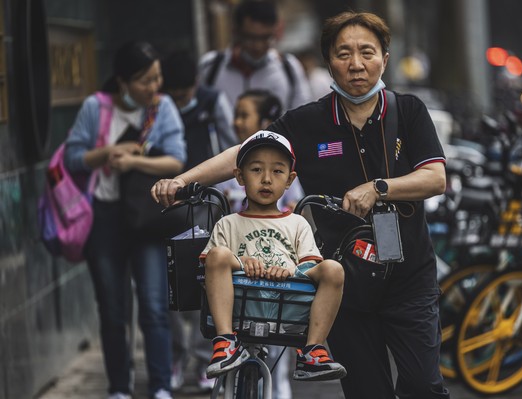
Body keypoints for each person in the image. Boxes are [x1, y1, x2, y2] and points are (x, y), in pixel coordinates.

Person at [151, 10, 450, 399]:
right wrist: (183, 181)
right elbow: (244, 152)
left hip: (409, 278)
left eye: (367, 52)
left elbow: (435, 177)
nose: (356, 64)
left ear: (385, 58)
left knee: (423, 385)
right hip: (344, 284)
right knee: (366, 391)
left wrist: (378, 188)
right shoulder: (308, 122)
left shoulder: (408, 111)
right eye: (344, 54)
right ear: (329, 61)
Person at [65, 41, 185, 399]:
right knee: (113, 309)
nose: (154, 87)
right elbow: (73, 157)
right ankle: (119, 387)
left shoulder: (162, 109)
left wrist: (135, 162)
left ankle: (161, 385)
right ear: (123, 82)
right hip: (104, 218)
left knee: (153, 305)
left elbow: (177, 162)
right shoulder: (94, 108)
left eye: (157, 78)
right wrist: (107, 153)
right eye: (145, 80)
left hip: (146, 217)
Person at [199, 131, 347, 383]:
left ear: (290, 180)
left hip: (287, 310)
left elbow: (309, 266)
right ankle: (225, 342)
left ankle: (312, 350)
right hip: (239, 308)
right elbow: (212, 265)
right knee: (218, 254)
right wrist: (241, 262)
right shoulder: (228, 223)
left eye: (277, 171)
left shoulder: (297, 223)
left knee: (333, 268)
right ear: (239, 176)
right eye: (256, 170)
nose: (266, 179)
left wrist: (290, 268)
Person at [160, 49, 238, 393]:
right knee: (174, 286)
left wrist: (232, 190)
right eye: (174, 92)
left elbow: (231, 146)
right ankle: (178, 356)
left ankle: (207, 356)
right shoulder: (159, 107)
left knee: (207, 282)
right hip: (167, 206)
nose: (180, 98)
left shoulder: (211, 101)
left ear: (195, 83)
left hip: (206, 206)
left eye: (185, 91)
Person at [198, 0, 311, 112]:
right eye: (251, 38)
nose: (258, 46)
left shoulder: (289, 68)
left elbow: (302, 116)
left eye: (265, 38)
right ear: (236, 32)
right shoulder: (211, 67)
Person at [222, 89, 304, 214]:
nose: (236, 122)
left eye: (244, 116)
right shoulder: (225, 162)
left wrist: (291, 211)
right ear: (239, 175)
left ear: (266, 123)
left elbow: (296, 203)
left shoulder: (284, 160)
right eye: (256, 169)